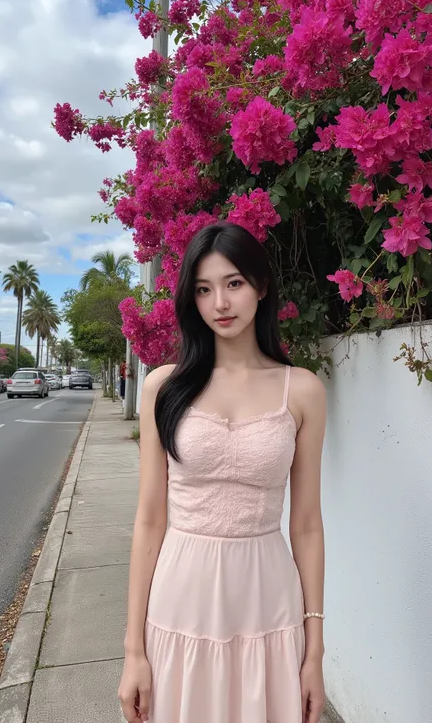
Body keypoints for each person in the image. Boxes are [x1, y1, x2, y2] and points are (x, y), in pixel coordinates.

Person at [118, 222, 327, 723]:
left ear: (261, 286)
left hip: (267, 598)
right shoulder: (163, 387)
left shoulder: (301, 391)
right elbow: (149, 519)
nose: (220, 304)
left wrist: (315, 654)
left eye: (233, 283)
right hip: (180, 596)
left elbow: (306, 525)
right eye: (204, 289)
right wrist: (133, 651)